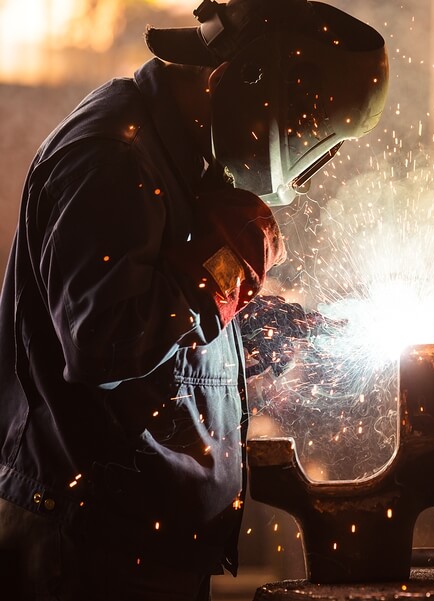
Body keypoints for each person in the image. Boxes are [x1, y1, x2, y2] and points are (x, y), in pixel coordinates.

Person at [0, 0, 387, 598]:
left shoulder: (181, 153)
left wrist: (251, 330)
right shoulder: (115, 157)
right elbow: (105, 342)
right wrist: (226, 267)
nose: (310, 152)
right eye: (311, 129)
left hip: (143, 543)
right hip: (90, 552)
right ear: (258, 84)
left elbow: (165, 315)